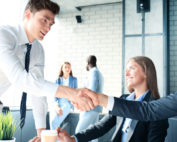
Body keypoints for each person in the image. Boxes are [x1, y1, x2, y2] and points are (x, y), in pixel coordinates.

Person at [0, 0, 97, 138]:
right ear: (28, 15)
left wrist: (42, 135)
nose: (48, 28)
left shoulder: (37, 50)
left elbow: (37, 94)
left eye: (51, 24)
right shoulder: (4, 35)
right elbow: (21, 80)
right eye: (44, 20)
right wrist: (72, 93)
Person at [57, 56, 169, 142]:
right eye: (126, 70)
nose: (126, 74)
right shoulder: (123, 100)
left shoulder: (157, 109)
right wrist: (73, 139)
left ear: (146, 73)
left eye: (132, 69)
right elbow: (101, 127)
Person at [75, 55, 104, 142]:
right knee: (93, 135)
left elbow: (91, 90)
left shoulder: (93, 72)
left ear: (87, 63)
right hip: (96, 108)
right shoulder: (99, 73)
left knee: (79, 132)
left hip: (90, 107)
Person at [50, 62, 78, 130]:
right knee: (53, 121)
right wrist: (57, 106)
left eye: (69, 67)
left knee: (54, 122)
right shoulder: (57, 80)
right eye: (65, 67)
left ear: (70, 69)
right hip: (58, 103)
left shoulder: (74, 80)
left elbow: (76, 93)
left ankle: (55, 139)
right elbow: (54, 95)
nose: (67, 69)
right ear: (62, 69)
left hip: (68, 103)